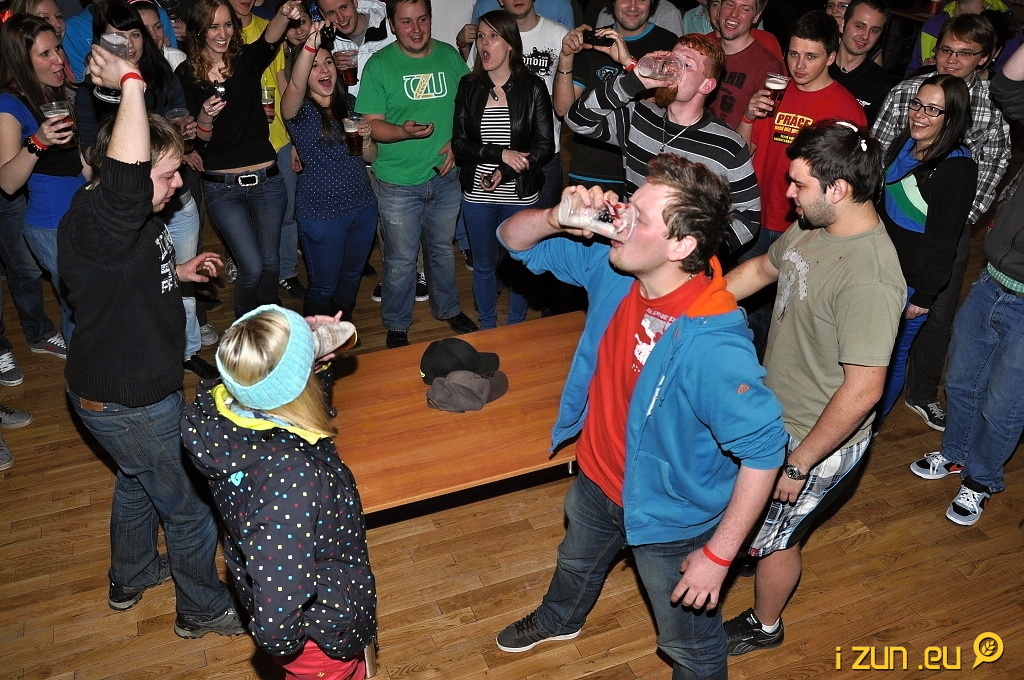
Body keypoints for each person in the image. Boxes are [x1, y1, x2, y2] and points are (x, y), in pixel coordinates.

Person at [492, 153, 786, 677]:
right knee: (575, 561)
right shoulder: (617, 271)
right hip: (597, 476)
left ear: (681, 246)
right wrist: (557, 217)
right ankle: (561, 618)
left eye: (639, 216)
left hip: (670, 517)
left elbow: (765, 452)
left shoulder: (716, 346)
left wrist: (719, 556)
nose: (620, 217)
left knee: (690, 646)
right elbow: (512, 240)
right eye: (628, 204)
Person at [60, 41, 243, 637]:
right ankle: (201, 610)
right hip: (131, 400)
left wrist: (180, 273)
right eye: (166, 175)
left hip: (114, 394)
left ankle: (131, 574)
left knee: (137, 481)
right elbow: (128, 181)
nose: (177, 185)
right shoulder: (104, 220)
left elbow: (126, 278)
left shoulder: (126, 225)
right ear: (130, 177)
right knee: (190, 508)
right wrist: (131, 80)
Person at [723, 121, 905, 656]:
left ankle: (765, 625)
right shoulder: (815, 226)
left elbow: (864, 391)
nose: (787, 193)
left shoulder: (871, 277)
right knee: (752, 519)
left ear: (838, 189)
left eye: (799, 184)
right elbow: (762, 269)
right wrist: (689, 308)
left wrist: (799, 464)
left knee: (777, 541)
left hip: (813, 440)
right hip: (774, 411)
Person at [183, 305, 376, 678]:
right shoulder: (290, 480)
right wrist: (298, 649)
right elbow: (277, 613)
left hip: (319, 605)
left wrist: (314, 363)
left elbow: (284, 399)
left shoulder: (226, 412)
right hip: (321, 638)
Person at [871, 12, 1010, 431]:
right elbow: (879, 154)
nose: (951, 59)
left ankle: (915, 398)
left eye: (964, 53)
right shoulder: (909, 100)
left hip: (934, 243)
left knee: (924, 327)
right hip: (889, 244)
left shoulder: (988, 113)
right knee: (876, 341)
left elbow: (993, 167)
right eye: (945, 49)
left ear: (986, 58)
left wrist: (948, 218)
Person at [909, 41, 1024, 526]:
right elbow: (1009, 85)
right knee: (960, 380)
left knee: (1004, 405)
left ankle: (980, 480)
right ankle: (955, 453)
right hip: (992, 280)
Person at [73, 0, 214, 379]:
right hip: (128, 212)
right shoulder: (91, 92)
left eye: (135, 34)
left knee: (181, 277)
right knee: (141, 285)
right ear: (100, 44)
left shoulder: (161, 74)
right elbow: (92, 156)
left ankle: (188, 351)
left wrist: (180, 127)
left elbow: (178, 116)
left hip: (175, 196)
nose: (129, 43)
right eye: (117, 37)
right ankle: (160, 353)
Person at [736, 10, 866, 353]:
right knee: (741, 313)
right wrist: (748, 115)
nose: (799, 65)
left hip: (805, 229)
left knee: (785, 319)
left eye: (811, 56)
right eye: (793, 54)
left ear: (831, 57)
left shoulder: (846, 111)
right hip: (755, 218)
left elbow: (847, 189)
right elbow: (743, 154)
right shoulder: (773, 93)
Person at [565, 33, 761, 255]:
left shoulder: (728, 145)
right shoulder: (638, 116)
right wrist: (633, 81)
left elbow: (749, 216)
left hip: (680, 262)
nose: (672, 68)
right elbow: (577, 120)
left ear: (706, 85)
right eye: (671, 59)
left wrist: (699, 251)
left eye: (686, 64)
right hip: (631, 246)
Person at [355, 0, 478, 349]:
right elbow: (372, 125)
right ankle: (397, 323)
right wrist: (403, 132)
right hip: (396, 181)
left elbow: (470, 108)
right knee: (400, 259)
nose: (416, 29)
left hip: (445, 177)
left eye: (422, 19)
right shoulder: (380, 65)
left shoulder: (449, 56)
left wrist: (457, 143)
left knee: (441, 250)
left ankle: (448, 309)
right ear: (393, 25)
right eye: (406, 22)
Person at [177, 0, 303, 318]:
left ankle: (269, 322)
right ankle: (245, 327)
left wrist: (284, 12)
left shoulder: (245, 60)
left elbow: (270, 38)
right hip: (223, 187)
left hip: (267, 180)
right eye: (213, 26)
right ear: (198, 31)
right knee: (252, 266)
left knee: (271, 264)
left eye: (228, 25)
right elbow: (199, 141)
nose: (223, 33)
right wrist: (205, 116)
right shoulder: (186, 75)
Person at [876, 74, 976, 421]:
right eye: (917, 104)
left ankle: (869, 430)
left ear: (952, 118)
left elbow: (945, 241)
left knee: (889, 359)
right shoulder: (907, 142)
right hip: (882, 268)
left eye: (933, 110)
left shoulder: (957, 168)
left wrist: (924, 297)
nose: (919, 115)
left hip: (911, 283)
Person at [452, 10, 553, 329]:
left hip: (520, 195)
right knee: (483, 266)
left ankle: (516, 326)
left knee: (519, 265)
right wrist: (500, 154)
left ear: (510, 43)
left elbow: (544, 146)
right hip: (477, 197)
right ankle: (487, 328)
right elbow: (459, 145)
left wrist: (504, 171)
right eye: (481, 36)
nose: (484, 43)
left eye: (493, 36)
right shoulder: (468, 86)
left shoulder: (533, 87)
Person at [282, 20, 377, 320]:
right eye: (314, 65)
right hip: (321, 215)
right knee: (323, 287)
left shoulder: (350, 102)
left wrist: (367, 138)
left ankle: (342, 327)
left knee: (351, 277)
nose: (324, 70)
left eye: (328, 62)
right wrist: (311, 44)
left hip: (362, 207)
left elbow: (370, 156)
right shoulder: (297, 110)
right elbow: (295, 85)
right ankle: (316, 339)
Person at [0, 14, 83, 344]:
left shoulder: (52, 93)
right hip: (50, 223)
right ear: (22, 61)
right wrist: (38, 141)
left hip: (78, 211)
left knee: (86, 300)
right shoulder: (8, 105)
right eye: (45, 54)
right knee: (80, 302)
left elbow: (75, 164)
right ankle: (83, 369)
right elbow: (7, 182)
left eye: (58, 48)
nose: (58, 59)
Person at [224, 0, 305, 304]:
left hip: (278, 138)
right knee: (244, 216)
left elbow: (283, 82)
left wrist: (295, 137)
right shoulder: (221, 34)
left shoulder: (269, 27)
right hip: (241, 144)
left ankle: (286, 270)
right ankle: (248, 268)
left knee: (286, 212)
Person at [553, 0, 678, 196]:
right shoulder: (594, 41)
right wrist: (566, 57)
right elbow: (563, 109)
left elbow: (661, 106)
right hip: (590, 168)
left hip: (644, 172)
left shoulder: (667, 43)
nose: (633, 6)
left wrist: (630, 64)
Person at [706, 0, 785, 130]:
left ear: (756, 17)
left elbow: (759, 133)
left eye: (745, 9)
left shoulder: (768, 66)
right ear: (720, 8)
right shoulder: (702, 50)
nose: (734, 14)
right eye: (730, 4)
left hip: (732, 142)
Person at [828, 0, 896, 123]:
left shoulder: (884, 86)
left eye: (874, 30)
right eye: (859, 26)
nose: (865, 36)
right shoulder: (819, 66)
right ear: (843, 25)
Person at [320, 0, 395, 97]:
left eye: (344, 7)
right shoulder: (324, 44)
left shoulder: (392, 27)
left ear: (355, 2)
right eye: (331, 13)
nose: (341, 18)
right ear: (323, 14)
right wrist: (332, 69)